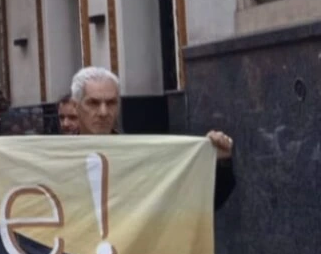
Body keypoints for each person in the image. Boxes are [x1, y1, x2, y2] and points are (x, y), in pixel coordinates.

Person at [69, 66, 237, 208]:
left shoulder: (141, 156)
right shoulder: (58, 158)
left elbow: (197, 203)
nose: (104, 112)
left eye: (111, 103)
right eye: (93, 103)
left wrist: (221, 164)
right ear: (76, 107)